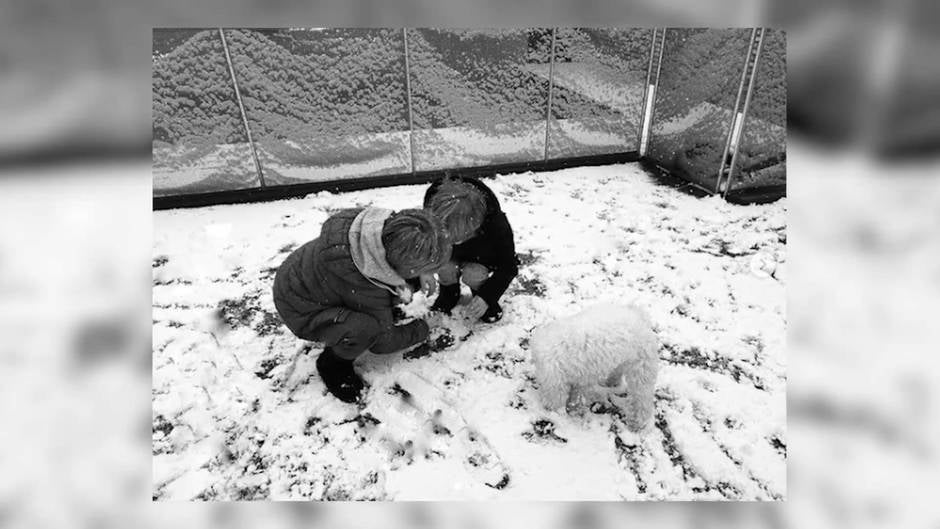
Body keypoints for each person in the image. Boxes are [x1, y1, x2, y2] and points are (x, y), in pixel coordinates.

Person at [272, 207, 450, 403]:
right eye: (422, 269)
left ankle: (387, 299)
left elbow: (391, 277)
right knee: (367, 329)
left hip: (309, 281)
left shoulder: (374, 232)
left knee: (400, 288)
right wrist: (423, 327)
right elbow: (384, 342)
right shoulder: (365, 286)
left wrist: (420, 274)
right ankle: (333, 365)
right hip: (302, 309)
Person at [423, 175, 519, 322]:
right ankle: (449, 293)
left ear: (477, 225)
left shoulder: (496, 225)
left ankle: (479, 297)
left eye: (461, 237)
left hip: (480, 256)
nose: (455, 242)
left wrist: (487, 297)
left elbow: (508, 266)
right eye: (448, 237)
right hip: (449, 255)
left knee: (473, 274)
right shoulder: (433, 209)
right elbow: (422, 242)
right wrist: (425, 270)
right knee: (445, 267)